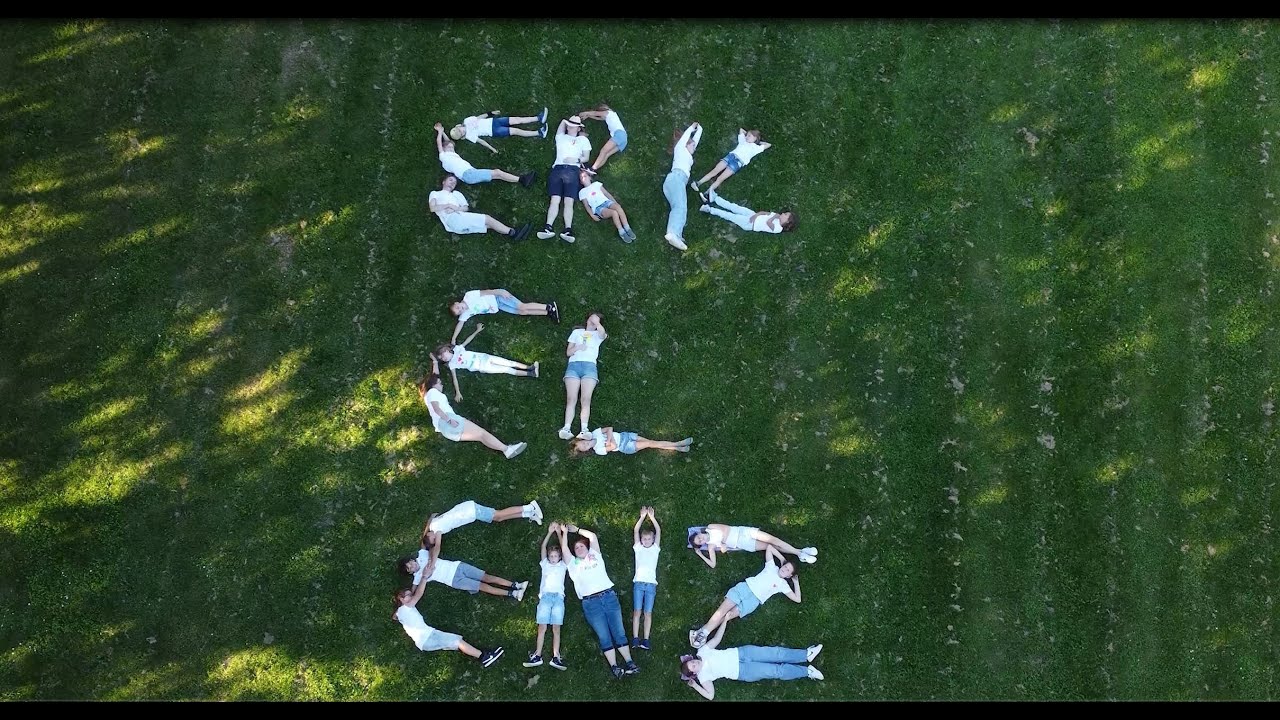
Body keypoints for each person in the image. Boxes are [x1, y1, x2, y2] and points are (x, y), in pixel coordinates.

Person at [559, 521, 639, 678]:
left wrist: (578, 530)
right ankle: (615, 667)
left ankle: (630, 662)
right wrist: (564, 533)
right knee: (604, 635)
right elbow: (564, 549)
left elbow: (593, 537)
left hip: (608, 597)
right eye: (576, 548)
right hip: (591, 603)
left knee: (619, 632)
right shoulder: (573, 565)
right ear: (574, 553)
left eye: (582, 546)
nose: (579, 548)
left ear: (588, 548)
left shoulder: (595, 555)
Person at [689, 546, 801, 647]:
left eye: (788, 570)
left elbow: (797, 599)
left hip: (753, 601)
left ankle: (702, 633)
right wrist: (782, 559)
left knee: (727, 616)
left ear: (789, 576)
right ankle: (703, 634)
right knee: (721, 611)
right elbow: (770, 548)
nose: (784, 569)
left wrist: (795, 582)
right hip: (744, 588)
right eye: (785, 566)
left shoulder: (783, 585)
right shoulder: (772, 567)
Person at [680, 623, 823, 700]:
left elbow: (716, 639)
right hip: (743, 672)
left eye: (692, 662)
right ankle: (807, 672)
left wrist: (725, 620)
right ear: (694, 673)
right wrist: (695, 686)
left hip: (742, 652)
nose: (695, 663)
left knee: (775, 653)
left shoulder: (702, 652)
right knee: (775, 671)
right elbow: (710, 696)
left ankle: (806, 655)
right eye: (693, 666)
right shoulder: (703, 677)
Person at [393, 583, 505, 667]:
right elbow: (419, 594)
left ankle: (481, 654)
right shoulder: (405, 608)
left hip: (425, 640)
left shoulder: (400, 612)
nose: (412, 596)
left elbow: (394, 617)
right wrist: (424, 578)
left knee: (456, 642)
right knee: (457, 641)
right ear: (401, 599)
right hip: (428, 636)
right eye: (408, 595)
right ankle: (484, 657)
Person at [417, 374, 527, 459]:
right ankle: (507, 449)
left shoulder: (427, 397)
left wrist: (435, 362)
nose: (442, 385)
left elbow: (434, 374)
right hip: (448, 420)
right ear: (432, 384)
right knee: (482, 433)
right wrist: (449, 420)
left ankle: (506, 450)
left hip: (445, 430)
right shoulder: (432, 392)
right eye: (439, 383)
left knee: (480, 436)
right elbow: (437, 409)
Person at [433, 323, 538, 403]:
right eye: (441, 359)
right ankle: (531, 373)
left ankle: (529, 367)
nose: (443, 358)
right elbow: (454, 379)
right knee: (507, 370)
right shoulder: (452, 364)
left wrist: (477, 330)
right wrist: (458, 392)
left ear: (446, 350)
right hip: (484, 367)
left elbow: (467, 340)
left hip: (486, 357)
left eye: (442, 355)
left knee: (509, 363)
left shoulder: (458, 349)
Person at [537, 116, 592, 243]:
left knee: (569, 201)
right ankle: (548, 227)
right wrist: (567, 121)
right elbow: (561, 124)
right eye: (568, 125)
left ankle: (568, 230)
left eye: (572, 126)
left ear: (579, 128)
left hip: (573, 170)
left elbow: (586, 157)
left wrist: (576, 160)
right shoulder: (561, 137)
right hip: (557, 169)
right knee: (554, 200)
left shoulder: (583, 140)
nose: (569, 127)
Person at [428, 174, 531, 240]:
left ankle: (514, 233)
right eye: (450, 180)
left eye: (454, 183)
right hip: (453, 220)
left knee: (488, 225)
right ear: (443, 182)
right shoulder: (435, 194)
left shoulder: (457, 194)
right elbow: (432, 208)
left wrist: (456, 208)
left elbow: (465, 208)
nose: (452, 183)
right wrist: (448, 205)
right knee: (487, 218)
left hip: (459, 222)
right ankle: (514, 233)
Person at [524, 522, 570, 671]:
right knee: (542, 627)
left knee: (556, 628)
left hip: (558, 598)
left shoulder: (564, 565)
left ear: (560, 557)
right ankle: (537, 655)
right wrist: (549, 533)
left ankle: (556, 657)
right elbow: (543, 548)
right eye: (551, 556)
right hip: (545, 598)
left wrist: (559, 533)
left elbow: (564, 547)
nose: (553, 558)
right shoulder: (545, 564)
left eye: (556, 556)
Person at [399, 550, 528, 602]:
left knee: (486, 577)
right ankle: (513, 594)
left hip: (458, 566)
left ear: (411, 560)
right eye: (409, 570)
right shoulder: (418, 577)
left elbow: (426, 541)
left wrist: (430, 521)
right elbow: (414, 593)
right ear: (410, 573)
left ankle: (515, 585)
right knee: (482, 586)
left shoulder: (422, 554)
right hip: (454, 580)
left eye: (409, 564)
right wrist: (404, 597)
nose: (411, 567)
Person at [434, 123, 535, 187]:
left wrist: (443, 132)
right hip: (468, 174)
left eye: (452, 147)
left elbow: (448, 141)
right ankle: (522, 179)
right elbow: (440, 143)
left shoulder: (451, 154)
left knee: (497, 175)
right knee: (497, 172)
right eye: (449, 147)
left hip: (470, 174)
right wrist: (440, 131)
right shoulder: (443, 156)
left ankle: (522, 181)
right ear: (444, 148)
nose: (452, 148)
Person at [558, 311, 606, 440]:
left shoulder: (598, 335)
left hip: (589, 367)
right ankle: (566, 428)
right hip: (573, 366)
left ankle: (584, 429)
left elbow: (602, 333)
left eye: (596, 319)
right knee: (571, 399)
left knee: (585, 399)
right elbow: (568, 352)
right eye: (592, 317)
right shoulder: (577, 332)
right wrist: (578, 348)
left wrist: (597, 323)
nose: (593, 319)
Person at [449, 289, 558, 344]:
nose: (460, 310)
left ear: (457, 302)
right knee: (522, 312)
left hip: (498, 297)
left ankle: (548, 306)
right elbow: (460, 324)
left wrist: (500, 292)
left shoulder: (469, 296)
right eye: (459, 312)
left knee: (522, 307)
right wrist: (454, 339)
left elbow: (486, 292)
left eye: (458, 307)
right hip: (499, 306)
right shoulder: (466, 313)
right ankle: (548, 313)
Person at [687, 524, 816, 569]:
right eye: (700, 543)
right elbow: (713, 564)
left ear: (699, 533)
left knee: (774, 540)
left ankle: (800, 554)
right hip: (744, 543)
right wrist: (700, 554)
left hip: (743, 532)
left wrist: (721, 544)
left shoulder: (710, 527)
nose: (702, 540)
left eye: (699, 538)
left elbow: (726, 529)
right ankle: (801, 553)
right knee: (771, 546)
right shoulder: (710, 547)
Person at [690, 128, 771, 199]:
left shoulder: (756, 148)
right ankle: (698, 183)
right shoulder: (743, 141)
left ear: (755, 138)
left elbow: (768, 145)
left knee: (720, 178)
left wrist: (758, 142)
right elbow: (741, 130)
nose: (746, 137)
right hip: (731, 156)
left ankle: (707, 193)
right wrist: (747, 135)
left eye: (749, 136)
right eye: (747, 135)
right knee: (714, 171)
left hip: (737, 162)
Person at [662, 121, 703, 251]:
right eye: (692, 146)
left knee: (680, 208)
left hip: (676, 182)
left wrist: (700, 129)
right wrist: (691, 128)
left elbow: (694, 140)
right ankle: (673, 233)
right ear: (686, 144)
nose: (694, 148)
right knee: (680, 207)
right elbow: (686, 138)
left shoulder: (687, 153)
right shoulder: (680, 149)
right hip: (676, 179)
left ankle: (677, 235)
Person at [630, 506, 661, 651]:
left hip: (651, 586)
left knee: (648, 613)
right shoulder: (638, 548)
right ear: (641, 540)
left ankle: (646, 639)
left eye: (649, 539)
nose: (647, 541)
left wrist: (652, 518)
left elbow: (659, 531)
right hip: (638, 584)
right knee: (637, 611)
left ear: (653, 539)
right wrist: (642, 517)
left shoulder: (655, 549)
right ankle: (635, 638)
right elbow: (636, 531)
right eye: (644, 539)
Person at [448, 107, 549, 150]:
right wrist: (492, 148)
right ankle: (539, 133)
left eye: (460, 130)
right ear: (462, 136)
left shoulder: (467, 121)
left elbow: (479, 117)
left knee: (517, 120)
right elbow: (481, 141)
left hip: (494, 122)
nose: (462, 131)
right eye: (461, 133)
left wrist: (490, 113)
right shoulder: (469, 136)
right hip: (494, 131)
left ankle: (539, 118)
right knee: (516, 131)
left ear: (459, 126)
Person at [577, 170, 636, 243]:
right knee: (614, 213)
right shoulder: (582, 192)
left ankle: (627, 227)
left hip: (606, 202)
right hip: (598, 208)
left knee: (618, 208)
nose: (584, 178)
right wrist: (592, 215)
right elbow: (586, 205)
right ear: (581, 182)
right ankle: (622, 232)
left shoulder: (597, 184)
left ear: (590, 177)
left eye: (585, 176)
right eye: (581, 178)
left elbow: (607, 194)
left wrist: (615, 202)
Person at [699, 192, 798, 234]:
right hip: (753, 215)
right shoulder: (777, 216)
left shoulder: (778, 228)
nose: (783, 214)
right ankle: (716, 198)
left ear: (787, 222)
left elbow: (768, 223)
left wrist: (774, 217)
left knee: (730, 216)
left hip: (750, 224)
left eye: (785, 215)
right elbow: (765, 213)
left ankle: (710, 209)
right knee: (735, 207)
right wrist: (756, 215)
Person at [577, 104, 627, 174]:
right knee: (606, 155)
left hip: (619, 134)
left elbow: (595, 113)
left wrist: (585, 113)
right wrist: (588, 116)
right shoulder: (611, 116)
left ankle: (592, 168)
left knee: (603, 151)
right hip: (624, 139)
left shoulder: (608, 112)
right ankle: (592, 171)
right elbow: (599, 118)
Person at [570, 427, 692, 456]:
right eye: (584, 447)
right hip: (625, 445)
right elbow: (613, 446)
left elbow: (610, 428)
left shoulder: (595, 432)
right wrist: (610, 438)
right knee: (650, 444)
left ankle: (678, 448)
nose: (586, 444)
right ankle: (679, 443)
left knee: (652, 442)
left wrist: (609, 438)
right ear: (586, 450)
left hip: (625, 435)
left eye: (583, 442)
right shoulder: (598, 450)